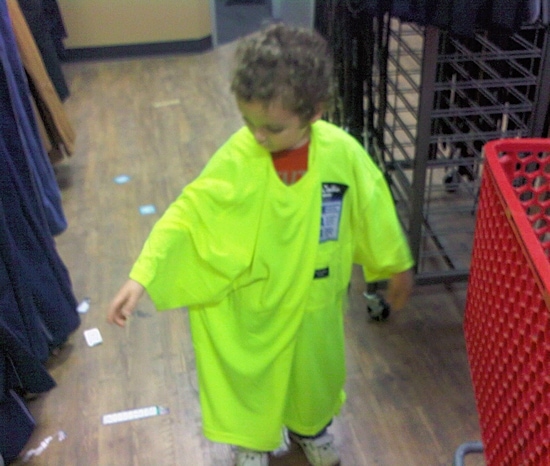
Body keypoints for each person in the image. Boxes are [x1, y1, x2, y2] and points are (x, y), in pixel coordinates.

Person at [108, 23, 414, 466]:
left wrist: (394, 264)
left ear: (315, 111)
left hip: (316, 301)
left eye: (272, 127)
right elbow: (190, 213)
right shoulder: (239, 157)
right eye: (248, 122)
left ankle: (312, 428)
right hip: (256, 304)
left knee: (314, 378)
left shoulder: (342, 155)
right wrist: (143, 275)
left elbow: (373, 208)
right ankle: (250, 442)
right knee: (251, 379)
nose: (257, 136)